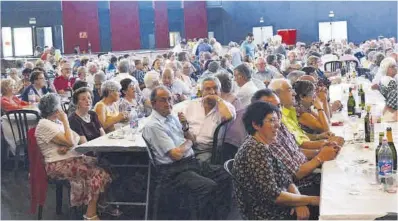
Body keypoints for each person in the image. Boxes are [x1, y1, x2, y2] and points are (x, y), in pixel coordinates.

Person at [143, 86, 231, 220]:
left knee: (226, 175)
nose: (168, 103)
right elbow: (176, 154)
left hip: (190, 163)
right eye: (163, 100)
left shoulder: (171, 118)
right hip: (173, 172)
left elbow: (192, 139)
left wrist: (185, 127)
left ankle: (218, 217)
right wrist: (188, 142)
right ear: (154, 104)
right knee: (208, 187)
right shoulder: (153, 126)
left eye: (169, 99)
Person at [233, 101, 320, 220]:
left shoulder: (264, 145)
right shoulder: (254, 150)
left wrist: (299, 202)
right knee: (325, 206)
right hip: (268, 214)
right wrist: (312, 200)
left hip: (281, 205)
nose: (278, 125)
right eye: (271, 120)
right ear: (256, 125)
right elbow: (275, 196)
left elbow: (287, 180)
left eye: (277, 120)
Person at [35, 93, 111, 220]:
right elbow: (71, 141)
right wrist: (65, 122)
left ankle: (98, 205)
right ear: (55, 108)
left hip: (68, 159)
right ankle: (90, 214)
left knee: (104, 164)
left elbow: (74, 138)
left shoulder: (54, 122)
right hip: (57, 164)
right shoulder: (44, 124)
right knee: (99, 173)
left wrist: (67, 143)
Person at [268, 79, 344, 149]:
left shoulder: (290, 110)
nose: (294, 93)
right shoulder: (295, 112)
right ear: (277, 95)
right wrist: (325, 144)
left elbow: (301, 136)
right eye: (289, 90)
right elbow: (299, 145)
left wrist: (318, 136)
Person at [178, 76, 236, 162]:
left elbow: (228, 117)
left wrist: (217, 99)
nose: (212, 92)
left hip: (207, 151)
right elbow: (172, 113)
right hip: (187, 144)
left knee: (195, 166)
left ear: (220, 91)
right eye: (208, 89)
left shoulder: (226, 106)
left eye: (215, 88)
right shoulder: (191, 104)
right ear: (201, 92)